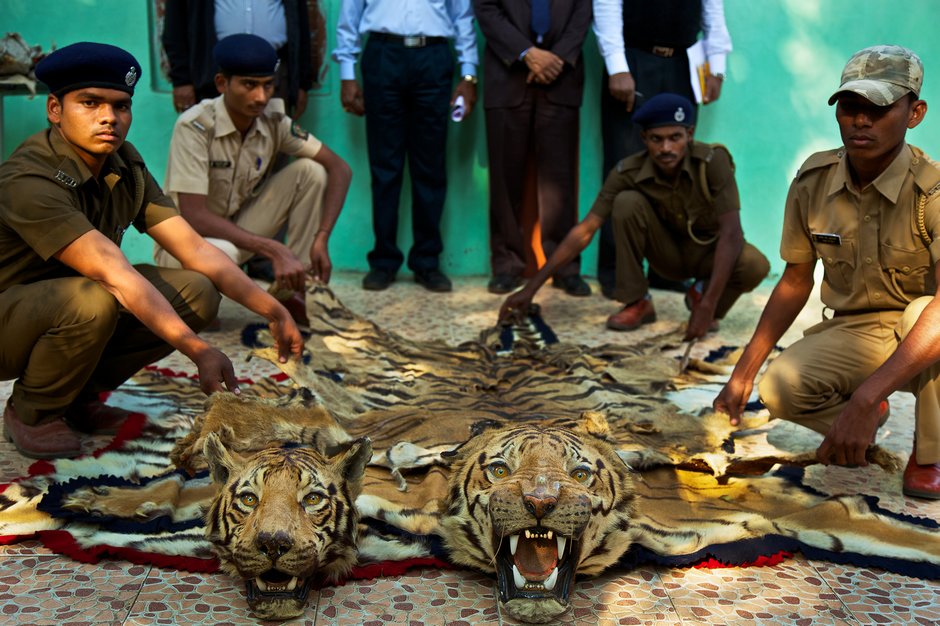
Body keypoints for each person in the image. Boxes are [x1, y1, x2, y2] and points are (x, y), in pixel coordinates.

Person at [0, 42, 303, 459]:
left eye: (120, 106)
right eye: (89, 103)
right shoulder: (30, 178)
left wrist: (273, 309)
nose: (109, 117)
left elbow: (193, 247)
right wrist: (198, 349)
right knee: (94, 298)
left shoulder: (123, 164)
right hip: (9, 320)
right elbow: (111, 271)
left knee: (197, 289)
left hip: (65, 312)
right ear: (55, 109)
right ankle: (32, 412)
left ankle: (77, 396)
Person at [713, 45, 940, 500]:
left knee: (924, 317)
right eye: (851, 108)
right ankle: (868, 419)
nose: (861, 121)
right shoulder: (814, 182)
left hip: (927, 329)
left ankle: (931, 452)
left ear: (914, 113)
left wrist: (861, 396)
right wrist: (743, 373)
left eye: (878, 109)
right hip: (858, 329)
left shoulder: (931, 190)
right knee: (780, 387)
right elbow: (795, 280)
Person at [499, 93, 768, 340]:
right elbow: (585, 230)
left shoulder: (712, 161)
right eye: (656, 139)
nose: (666, 148)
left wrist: (709, 303)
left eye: (675, 137)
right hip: (668, 257)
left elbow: (732, 233)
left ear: (690, 134)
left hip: (707, 253)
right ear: (644, 139)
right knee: (626, 202)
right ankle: (638, 301)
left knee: (755, 264)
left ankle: (701, 298)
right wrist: (531, 289)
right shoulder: (628, 172)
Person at [154, 34, 352, 329]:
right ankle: (193, 298)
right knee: (225, 252)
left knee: (311, 171)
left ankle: (294, 287)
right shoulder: (195, 125)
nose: (260, 97)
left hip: (234, 232)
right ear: (222, 83)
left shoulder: (274, 121)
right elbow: (194, 215)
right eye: (249, 85)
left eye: (267, 85)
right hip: (186, 244)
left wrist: (321, 238)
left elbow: (340, 168)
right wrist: (274, 249)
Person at [333, 0, 478, 292]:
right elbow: (349, 17)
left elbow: (463, 16)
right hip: (383, 55)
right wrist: (347, 75)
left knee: (431, 167)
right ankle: (384, 261)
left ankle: (427, 261)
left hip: (433, 57)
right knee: (385, 166)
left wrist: (468, 74)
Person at [592, 0, 732, 298]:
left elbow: (712, 11)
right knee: (625, 164)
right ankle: (618, 272)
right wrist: (617, 66)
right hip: (634, 61)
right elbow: (607, 5)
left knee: (676, 169)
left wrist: (717, 68)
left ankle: (666, 271)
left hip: (684, 63)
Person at [474, 0, 593, 298]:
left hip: (561, 77)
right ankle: (507, 265)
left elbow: (583, 13)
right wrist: (528, 54)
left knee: (560, 181)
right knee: (504, 178)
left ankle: (564, 267)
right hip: (507, 75)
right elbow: (486, 9)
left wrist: (557, 59)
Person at [161, 0, 314, 116]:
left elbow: (300, 21)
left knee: (273, 144)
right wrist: (182, 80)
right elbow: (175, 25)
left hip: (274, 73)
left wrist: (301, 83)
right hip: (215, 73)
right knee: (214, 146)